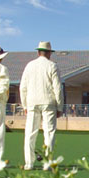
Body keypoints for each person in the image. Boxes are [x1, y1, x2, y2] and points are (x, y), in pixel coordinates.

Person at [20, 41, 63, 170]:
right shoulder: (52, 66)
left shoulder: (29, 66)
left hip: (32, 103)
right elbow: (58, 88)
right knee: (49, 133)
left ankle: (29, 163)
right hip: (48, 103)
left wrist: (25, 105)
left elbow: (23, 87)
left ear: (38, 52)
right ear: (49, 53)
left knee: (30, 133)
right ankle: (47, 163)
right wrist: (60, 107)